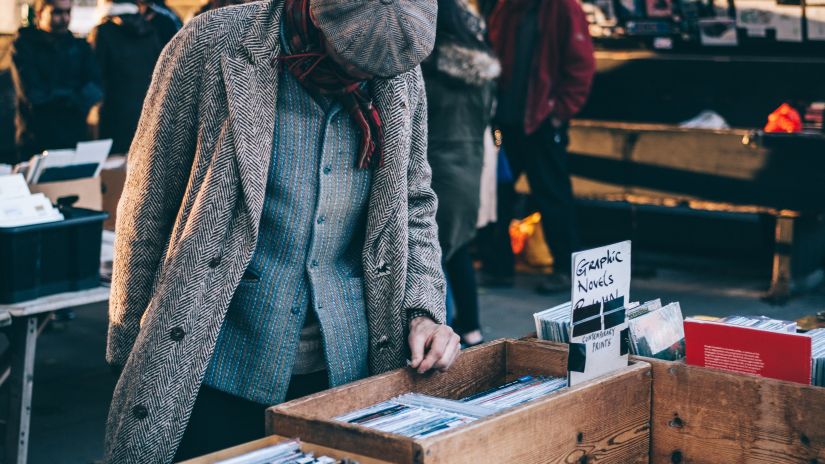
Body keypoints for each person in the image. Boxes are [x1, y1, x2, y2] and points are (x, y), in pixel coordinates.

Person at [104, 0, 460, 462]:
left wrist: (423, 310)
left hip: (348, 370)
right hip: (211, 358)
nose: (363, 78)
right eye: (350, 58)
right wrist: (129, 347)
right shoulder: (212, 42)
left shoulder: (396, 72)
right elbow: (148, 198)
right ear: (316, 14)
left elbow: (414, 203)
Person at [486, 0, 596, 293]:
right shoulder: (508, 7)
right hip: (509, 123)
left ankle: (566, 270)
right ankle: (499, 268)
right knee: (499, 196)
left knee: (553, 195)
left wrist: (558, 114)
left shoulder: (562, 8)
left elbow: (581, 65)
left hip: (542, 122)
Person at [423, 0, 499, 346]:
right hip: (471, 166)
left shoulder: (428, 68)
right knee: (457, 250)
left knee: (429, 257)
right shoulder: (481, 72)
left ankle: (443, 330)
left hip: (434, 168)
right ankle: (470, 328)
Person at [10, 0, 102, 162]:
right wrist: (73, 97)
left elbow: (95, 89)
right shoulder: (23, 45)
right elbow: (32, 93)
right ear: (39, 14)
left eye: (68, 12)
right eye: (57, 12)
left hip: (73, 138)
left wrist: (58, 96)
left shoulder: (80, 46)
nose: (65, 18)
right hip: (35, 139)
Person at [88, 0, 163, 155]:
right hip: (147, 115)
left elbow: (94, 77)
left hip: (113, 118)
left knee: (112, 174)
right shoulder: (150, 31)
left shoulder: (102, 32)